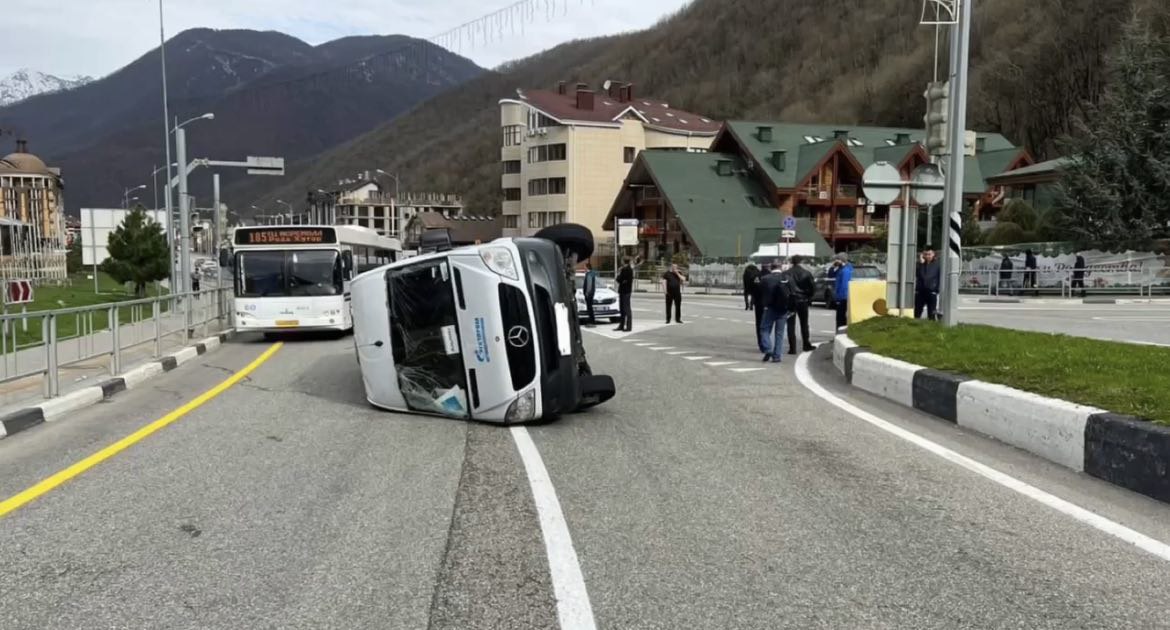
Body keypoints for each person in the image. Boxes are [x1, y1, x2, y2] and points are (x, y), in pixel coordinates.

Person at [757, 259, 791, 363]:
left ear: (771, 267)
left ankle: (768, 349)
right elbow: (792, 292)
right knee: (779, 333)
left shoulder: (765, 279)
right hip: (783, 309)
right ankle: (777, 356)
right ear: (780, 267)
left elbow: (760, 293)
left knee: (764, 329)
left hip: (770, 308)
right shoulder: (786, 278)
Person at [783, 255, 816, 354]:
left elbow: (783, 287)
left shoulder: (786, 274)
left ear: (792, 262)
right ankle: (806, 344)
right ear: (801, 262)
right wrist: (808, 297)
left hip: (790, 301)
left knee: (790, 324)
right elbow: (812, 288)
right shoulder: (806, 273)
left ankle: (792, 348)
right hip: (803, 300)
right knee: (804, 323)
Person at [827, 253, 853, 329]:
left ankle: (840, 332)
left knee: (840, 317)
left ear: (841, 260)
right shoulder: (840, 269)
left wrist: (840, 298)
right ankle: (839, 331)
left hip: (842, 297)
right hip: (840, 296)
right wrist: (833, 266)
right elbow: (831, 275)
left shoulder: (845, 270)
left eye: (837, 259)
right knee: (839, 317)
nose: (835, 261)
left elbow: (844, 286)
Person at [915, 248, 941, 320]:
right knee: (917, 312)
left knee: (931, 313)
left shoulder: (937, 265)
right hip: (921, 292)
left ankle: (931, 325)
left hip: (931, 291)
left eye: (929, 254)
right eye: (926, 254)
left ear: (933, 254)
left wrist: (936, 289)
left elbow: (940, 277)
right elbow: (917, 274)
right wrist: (920, 263)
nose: (928, 256)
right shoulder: (921, 264)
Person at [614, 256, 638, 332]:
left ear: (623, 261)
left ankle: (628, 326)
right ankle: (622, 325)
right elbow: (622, 280)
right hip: (625, 290)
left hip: (625, 291)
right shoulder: (628, 269)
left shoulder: (626, 270)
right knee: (622, 309)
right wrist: (622, 280)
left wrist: (618, 274)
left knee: (626, 309)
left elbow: (619, 279)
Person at [751, 262, 768, 352]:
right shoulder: (771, 275)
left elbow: (753, 289)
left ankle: (761, 344)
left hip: (759, 303)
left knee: (759, 324)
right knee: (768, 324)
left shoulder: (756, 276)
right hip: (769, 303)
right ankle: (767, 343)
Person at [582, 262, 598, 327]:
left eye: (585, 267)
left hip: (589, 294)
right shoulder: (591, 274)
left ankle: (592, 321)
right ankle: (592, 320)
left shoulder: (589, 274)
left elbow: (589, 285)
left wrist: (587, 293)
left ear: (587, 267)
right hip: (591, 293)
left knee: (589, 308)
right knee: (590, 307)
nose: (584, 268)